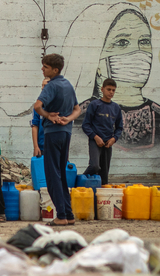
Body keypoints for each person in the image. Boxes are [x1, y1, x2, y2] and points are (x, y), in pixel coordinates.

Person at [67, 3, 160, 151]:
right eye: (122, 42)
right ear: (95, 59)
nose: (138, 52)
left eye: (144, 42)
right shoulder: (81, 114)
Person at [34, 54, 81, 226]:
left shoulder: (51, 86)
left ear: (55, 69)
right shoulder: (67, 85)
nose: (42, 69)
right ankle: (68, 214)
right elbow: (77, 109)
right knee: (61, 174)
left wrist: (47, 115)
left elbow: (37, 106)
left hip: (52, 133)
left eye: (45, 67)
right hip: (65, 133)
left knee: (52, 175)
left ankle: (61, 215)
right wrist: (68, 119)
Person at [81, 77, 124, 185]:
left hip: (108, 143)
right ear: (102, 89)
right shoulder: (94, 104)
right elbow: (85, 125)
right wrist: (95, 137)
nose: (111, 92)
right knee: (94, 166)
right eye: (108, 89)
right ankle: (79, 182)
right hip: (95, 141)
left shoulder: (116, 108)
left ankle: (101, 196)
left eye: (113, 90)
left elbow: (119, 127)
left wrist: (114, 139)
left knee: (104, 173)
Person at [31, 77, 49, 158]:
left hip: (55, 147)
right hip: (42, 147)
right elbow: (35, 125)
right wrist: (36, 146)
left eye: (45, 85)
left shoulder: (59, 105)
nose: (42, 88)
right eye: (42, 85)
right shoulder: (38, 106)